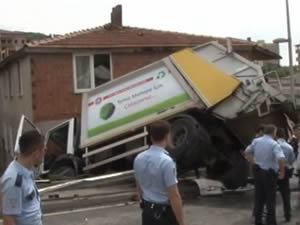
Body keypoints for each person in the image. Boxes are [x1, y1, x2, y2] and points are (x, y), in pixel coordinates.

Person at [134, 120, 185, 225]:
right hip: (164, 214)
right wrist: (181, 222)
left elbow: (139, 186)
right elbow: (174, 195)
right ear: (167, 136)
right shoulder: (166, 162)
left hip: (147, 213)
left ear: (151, 137)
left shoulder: (139, 158)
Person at [1, 130, 45, 225]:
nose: (44, 155)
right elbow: (9, 219)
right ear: (36, 153)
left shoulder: (27, 171)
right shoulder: (14, 179)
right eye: (44, 150)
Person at [245, 124, 285, 225]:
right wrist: (282, 172)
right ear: (273, 132)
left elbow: (247, 152)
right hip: (269, 174)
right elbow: (280, 158)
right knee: (270, 200)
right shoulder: (274, 144)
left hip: (258, 173)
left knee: (259, 198)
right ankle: (270, 222)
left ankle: (258, 221)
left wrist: (253, 163)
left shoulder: (256, 141)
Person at [276, 128, 294, 222]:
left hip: (274, 171)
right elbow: (291, 160)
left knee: (270, 194)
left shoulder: (273, 146)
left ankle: (270, 217)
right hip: (285, 171)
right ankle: (288, 215)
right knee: (285, 194)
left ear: (276, 135)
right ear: (284, 135)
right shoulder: (289, 147)